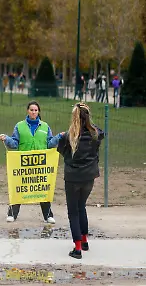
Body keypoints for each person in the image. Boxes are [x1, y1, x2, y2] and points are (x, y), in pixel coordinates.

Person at [0, 101, 64, 224]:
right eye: (31, 110)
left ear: (38, 112)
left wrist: (58, 137)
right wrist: (6, 139)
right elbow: (15, 143)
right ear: (27, 111)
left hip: (40, 164)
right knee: (19, 187)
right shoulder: (19, 126)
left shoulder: (45, 126)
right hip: (23, 163)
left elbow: (49, 143)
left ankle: (48, 215)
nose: (34, 112)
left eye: (36, 110)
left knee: (42, 188)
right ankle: (12, 214)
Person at [57, 102, 105, 259]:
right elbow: (102, 132)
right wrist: (87, 117)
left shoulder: (68, 137)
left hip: (72, 177)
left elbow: (62, 151)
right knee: (81, 206)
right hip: (89, 176)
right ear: (88, 117)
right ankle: (84, 241)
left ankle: (77, 248)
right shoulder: (95, 134)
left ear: (75, 118)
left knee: (73, 211)